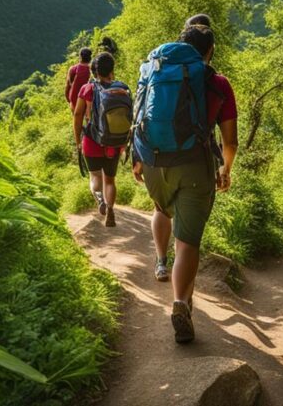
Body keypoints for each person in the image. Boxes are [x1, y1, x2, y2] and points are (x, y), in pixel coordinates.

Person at [133, 23, 238, 344]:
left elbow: (140, 113)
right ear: (211, 50)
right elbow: (229, 141)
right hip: (194, 165)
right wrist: (226, 169)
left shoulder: (155, 69)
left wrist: (137, 158)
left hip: (153, 162)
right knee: (188, 243)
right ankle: (180, 303)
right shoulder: (217, 83)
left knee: (161, 209)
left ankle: (160, 260)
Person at [74, 52, 128, 227]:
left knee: (95, 176)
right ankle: (111, 209)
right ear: (112, 70)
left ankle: (100, 200)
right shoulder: (122, 89)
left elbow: (77, 115)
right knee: (110, 180)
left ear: (93, 71)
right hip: (115, 142)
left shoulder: (87, 89)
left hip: (92, 140)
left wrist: (77, 140)